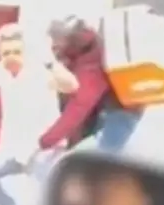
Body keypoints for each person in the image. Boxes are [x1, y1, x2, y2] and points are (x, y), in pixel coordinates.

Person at [0, 23, 77, 205]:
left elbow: (71, 86)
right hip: (13, 146)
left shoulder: (40, 70)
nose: (11, 57)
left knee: (52, 193)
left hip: (45, 147)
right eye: (6, 53)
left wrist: (50, 63)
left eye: (16, 52)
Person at [41, 16, 117, 152]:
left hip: (102, 129)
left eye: (56, 40)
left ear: (69, 39)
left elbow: (78, 107)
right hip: (89, 127)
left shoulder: (91, 62)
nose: (53, 45)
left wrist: (46, 141)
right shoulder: (77, 55)